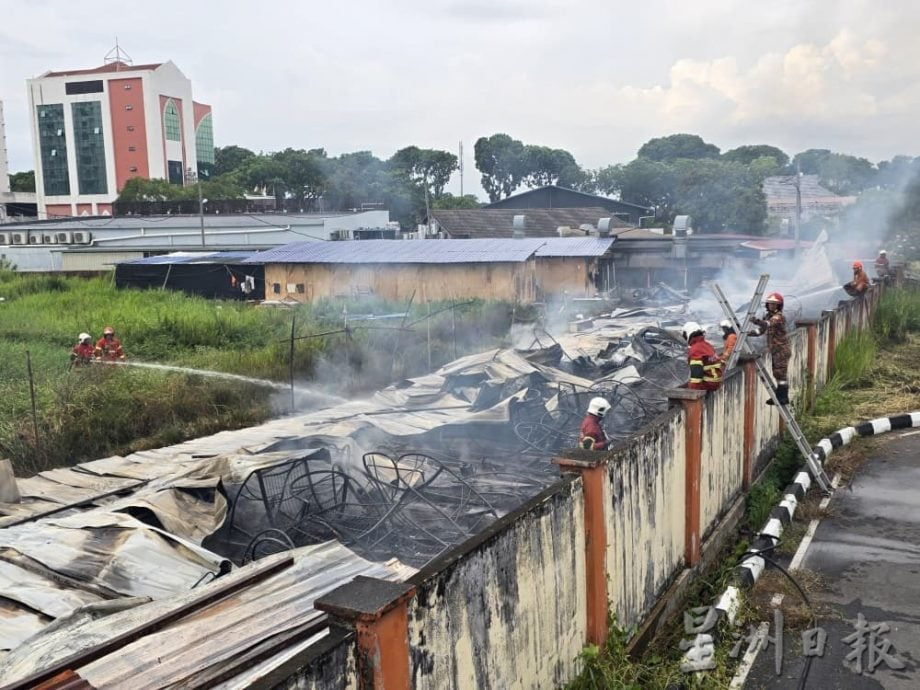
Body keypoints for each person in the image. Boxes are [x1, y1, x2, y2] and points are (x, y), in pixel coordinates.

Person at [751, 292, 790, 406]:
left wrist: (755, 321)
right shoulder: (768, 316)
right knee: (777, 373)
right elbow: (761, 330)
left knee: (781, 374)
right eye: (770, 304)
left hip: (781, 349)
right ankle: (779, 396)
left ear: (779, 306)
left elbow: (768, 324)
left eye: (775, 304)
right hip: (774, 349)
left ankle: (783, 397)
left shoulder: (779, 317)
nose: (772, 306)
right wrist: (749, 333)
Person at [683, 322, 722, 391]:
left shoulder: (695, 349)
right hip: (715, 382)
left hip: (708, 384)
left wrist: (692, 390)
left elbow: (696, 374)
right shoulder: (707, 345)